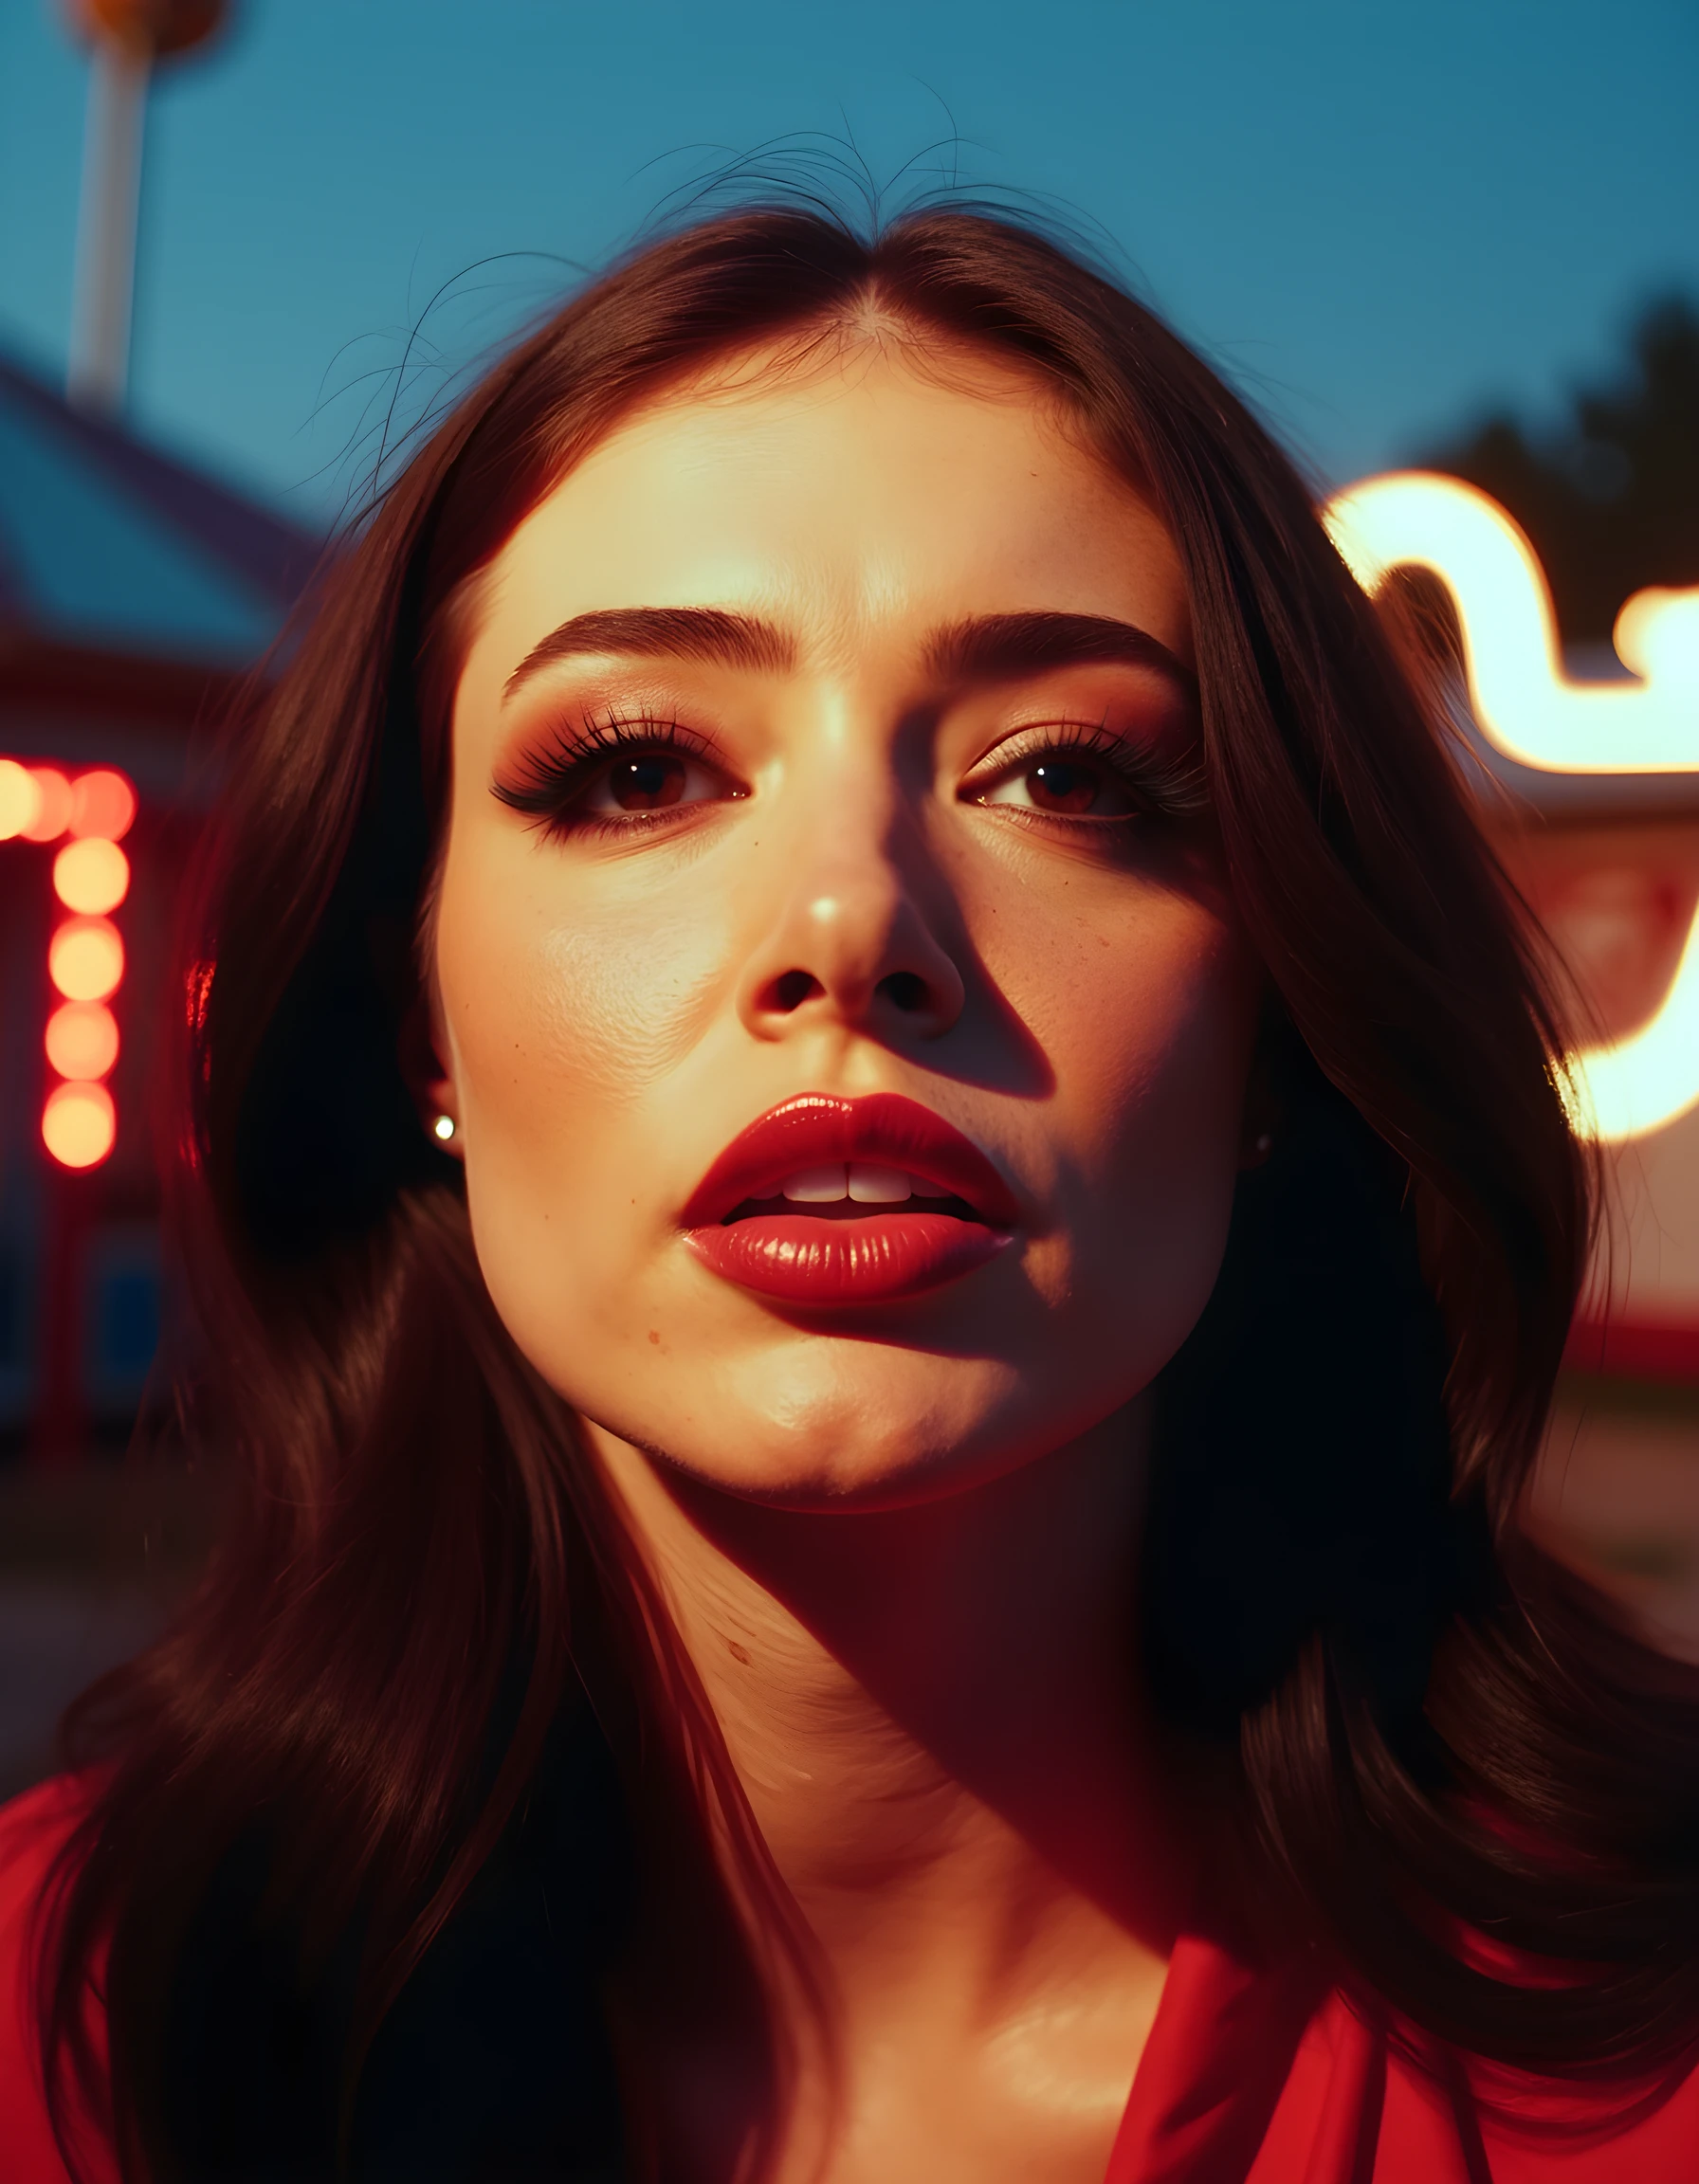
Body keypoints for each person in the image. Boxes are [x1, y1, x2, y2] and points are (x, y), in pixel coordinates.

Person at [4, 202, 1698, 2184]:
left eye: (1064, 774)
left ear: (1279, 1023)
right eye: (636, 769)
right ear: (421, 1029)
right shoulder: (67, 2033)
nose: (849, 919)